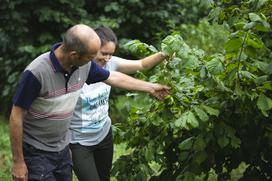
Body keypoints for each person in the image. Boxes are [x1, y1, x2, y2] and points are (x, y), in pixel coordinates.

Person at [9, 24, 170, 181]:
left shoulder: (83, 65)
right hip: (37, 151)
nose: (98, 60)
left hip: (62, 148)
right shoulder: (37, 73)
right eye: (91, 57)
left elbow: (113, 77)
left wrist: (151, 88)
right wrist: (18, 161)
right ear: (74, 55)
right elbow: (16, 116)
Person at [69, 26, 168, 181]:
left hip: (103, 136)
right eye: (103, 53)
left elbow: (141, 65)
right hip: (79, 142)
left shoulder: (111, 64)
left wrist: (164, 54)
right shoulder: (76, 71)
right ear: (92, 48)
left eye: (111, 54)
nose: (107, 58)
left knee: (104, 177)